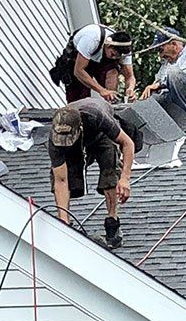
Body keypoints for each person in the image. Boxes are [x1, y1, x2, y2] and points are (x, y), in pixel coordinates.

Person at [49, 98, 136, 249]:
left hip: (101, 134)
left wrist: (125, 178)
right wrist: (62, 224)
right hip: (77, 144)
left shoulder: (96, 116)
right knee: (71, 179)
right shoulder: (55, 138)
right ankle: (66, 224)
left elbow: (128, 143)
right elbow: (61, 181)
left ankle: (112, 223)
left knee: (110, 169)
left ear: (80, 128)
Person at [49, 23, 136, 103]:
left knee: (112, 72)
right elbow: (78, 71)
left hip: (99, 61)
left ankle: (111, 103)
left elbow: (130, 76)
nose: (114, 58)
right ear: (108, 45)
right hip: (78, 62)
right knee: (80, 97)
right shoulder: (92, 38)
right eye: (112, 54)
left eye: (118, 57)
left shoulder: (125, 51)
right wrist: (101, 90)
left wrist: (130, 89)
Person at [139, 27, 186, 118]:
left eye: (161, 50)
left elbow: (182, 74)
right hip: (170, 103)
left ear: (174, 44)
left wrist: (159, 84)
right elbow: (156, 84)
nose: (161, 55)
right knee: (142, 106)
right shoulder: (166, 63)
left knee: (174, 72)